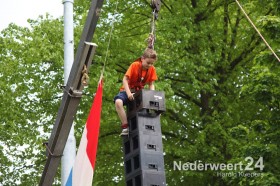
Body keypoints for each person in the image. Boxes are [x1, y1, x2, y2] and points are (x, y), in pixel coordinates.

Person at [114, 48, 158, 135]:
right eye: (148, 63)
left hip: (139, 93)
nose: (149, 65)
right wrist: (129, 93)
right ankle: (125, 126)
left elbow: (151, 84)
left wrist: (151, 94)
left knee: (156, 106)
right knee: (118, 102)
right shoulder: (135, 65)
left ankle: (153, 128)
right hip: (128, 91)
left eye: (152, 63)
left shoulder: (152, 69)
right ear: (142, 59)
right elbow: (125, 80)